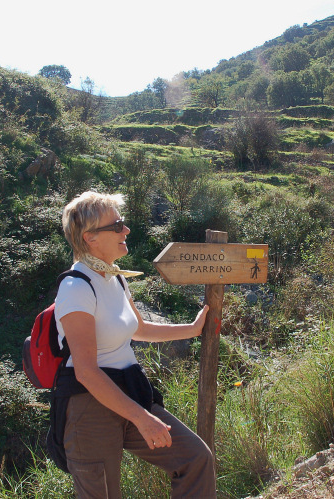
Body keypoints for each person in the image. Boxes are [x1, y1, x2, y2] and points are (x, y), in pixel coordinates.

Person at [55, 191, 216, 498]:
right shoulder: (76, 287)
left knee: (195, 458)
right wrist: (142, 418)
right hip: (89, 406)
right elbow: (86, 372)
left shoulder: (115, 278)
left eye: (123, 223)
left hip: (129, 392)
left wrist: (192, 329)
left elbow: (138, 329)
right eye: (117, 225)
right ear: (90, 238)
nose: (125, 230)